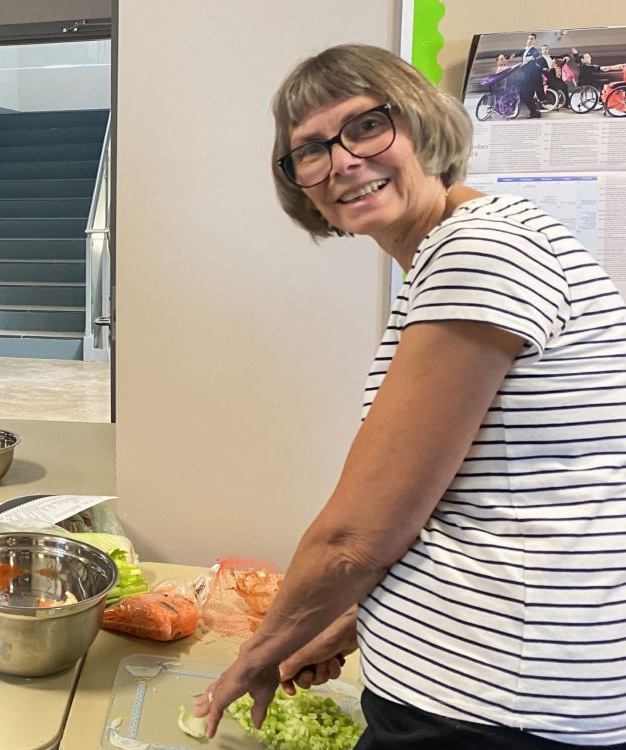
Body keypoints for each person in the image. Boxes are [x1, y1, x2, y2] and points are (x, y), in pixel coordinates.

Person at [196, 44, 626, 748]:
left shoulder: (479, 252)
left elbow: (355, 537)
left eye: (366, 127)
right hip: (499, 686)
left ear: (422, 124)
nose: (341, 162)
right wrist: (346, 624)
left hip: (495, 704)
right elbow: (471, 508)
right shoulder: (460, 252)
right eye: (310, 151)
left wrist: (259, 653)